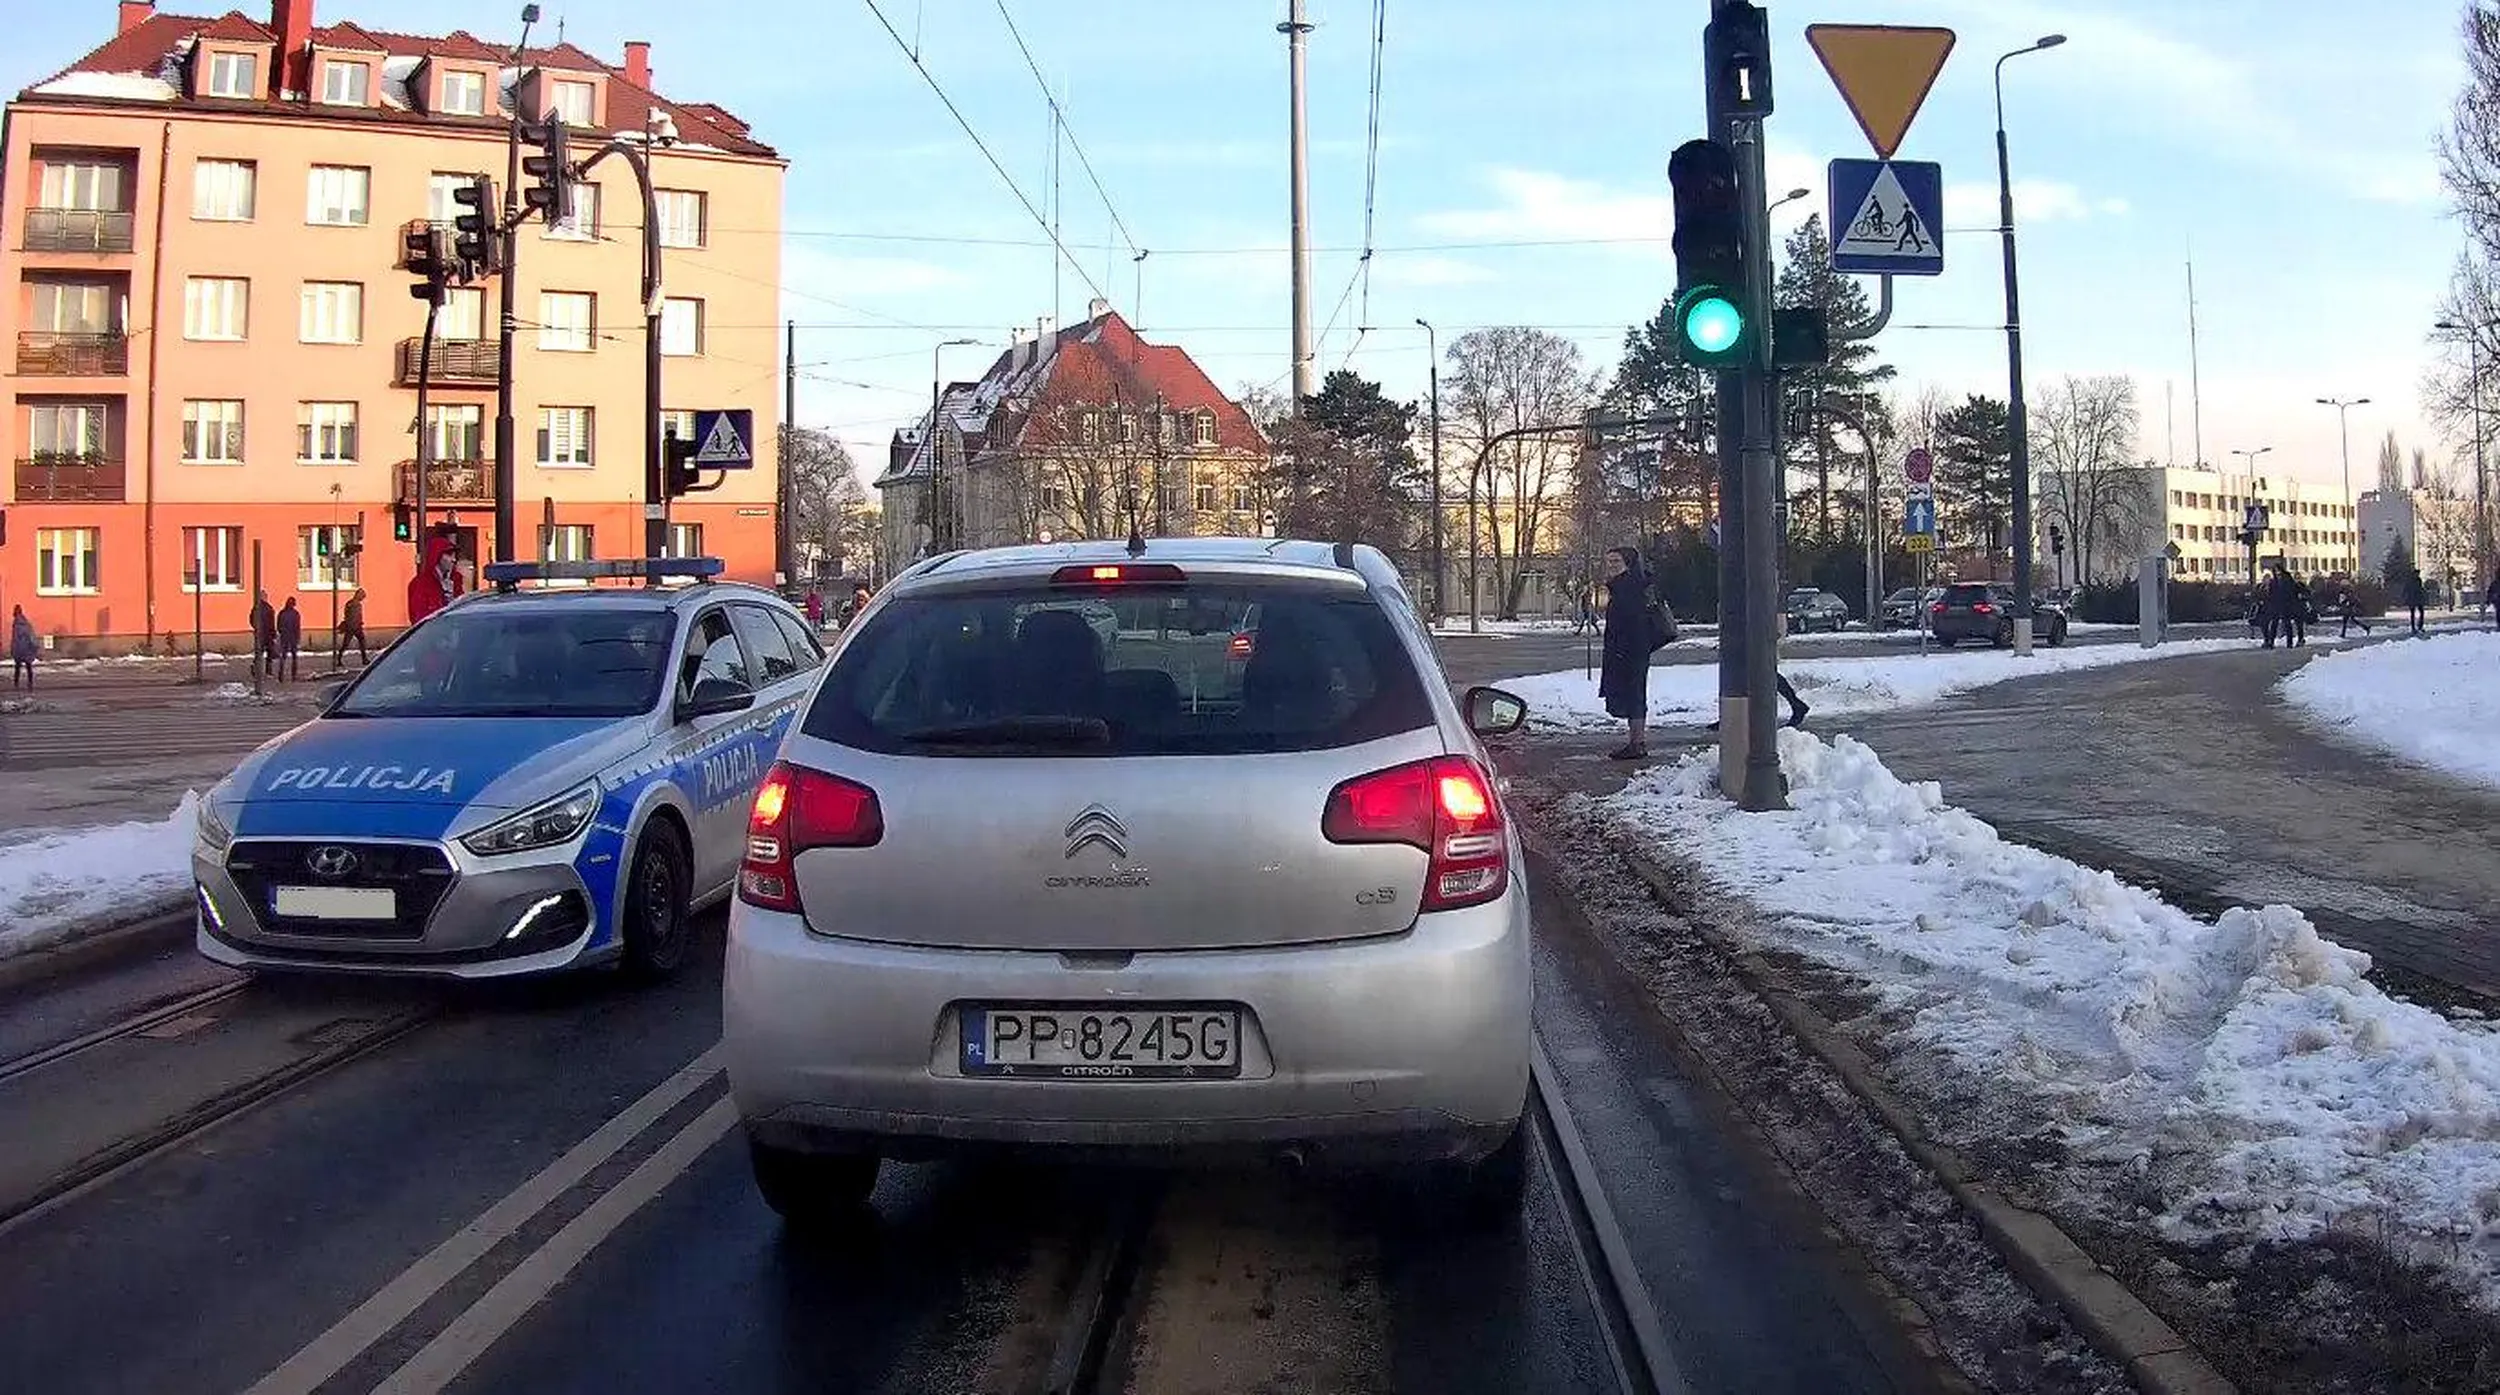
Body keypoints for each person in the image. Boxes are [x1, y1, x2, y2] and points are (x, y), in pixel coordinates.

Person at [1598, 547, 1658, 760]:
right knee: (1634, 693)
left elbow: (1631, 622)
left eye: (1616, 561)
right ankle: (1636, 741)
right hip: (1631, 649)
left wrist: (1623, 649)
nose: (1611, 565)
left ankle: (1637, 743)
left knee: (1634, 694)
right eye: (1609, 561)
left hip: (1629, 650)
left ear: (1628, 563)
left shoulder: (1628, 587)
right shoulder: (1627, 585)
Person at [406, 530, 464, 626]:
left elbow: (462, 611)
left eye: (454, 556)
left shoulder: (456, 580)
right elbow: (418, 619)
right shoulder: (420, 584)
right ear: (437, 556)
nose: (454, 560)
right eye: (449, 555)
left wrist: (453, 599)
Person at [249, 589, 279, 677]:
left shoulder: (256, 607)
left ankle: (255, 667)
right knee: (269, 653)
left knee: (259, 652)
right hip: (268, 634)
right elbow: (271, 622)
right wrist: (273, 633)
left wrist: (256, 628)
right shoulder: (269, 608)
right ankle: (268, 671)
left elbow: (251, 619)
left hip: (259, 634)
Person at [337, 587, 369, 666]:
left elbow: (349, 615)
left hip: (355, 627)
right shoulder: (354, 604)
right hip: (353, 627)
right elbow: (351, 616)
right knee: (347, 644)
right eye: (362, 596)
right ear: (358, 595)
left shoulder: (351, 603)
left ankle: (364, 659)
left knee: (360, 642)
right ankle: (338, 659)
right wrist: (354, 624)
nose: (362, 598)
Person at [8, 605, 35, 690]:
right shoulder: (25, 622)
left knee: (18, 667)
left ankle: (16, 684)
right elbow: (30, 634)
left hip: (20, 648)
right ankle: (30, 684)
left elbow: (15, 638)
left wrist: (13, 648)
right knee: (28, 666)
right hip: (26, 648)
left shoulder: (16, 623)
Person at [276, 597, 303, 681]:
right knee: (294, 657)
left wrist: (282, 633)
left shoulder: (282, 613)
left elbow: (278, 626)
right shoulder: (296, 614)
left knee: (283, 656)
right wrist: (298, 637)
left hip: (284, 636)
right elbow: (297, 627)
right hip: (293, 637)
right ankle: (294, 676)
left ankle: (281, 675)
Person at [2404, 567, 2428, 635]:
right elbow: (2408, 589)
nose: (2418, 575)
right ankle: (2415, 627)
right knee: (2414, 613)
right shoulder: (2413, 580)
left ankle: (2417, 627)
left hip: (2416, 598)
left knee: (2418, 613)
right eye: (2417, 573)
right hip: (2414, 598)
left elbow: (2419, 589)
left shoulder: (2418, 580)